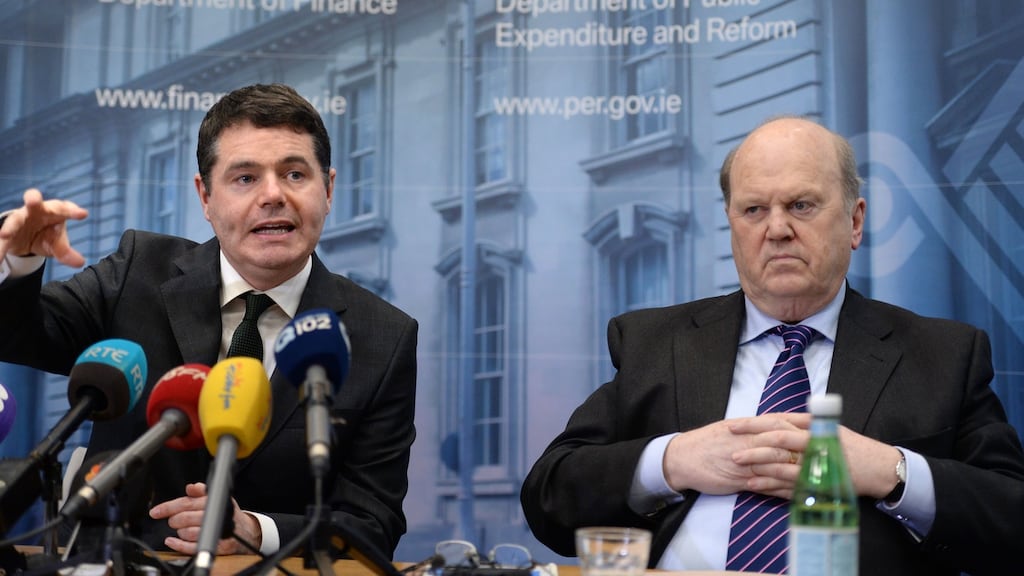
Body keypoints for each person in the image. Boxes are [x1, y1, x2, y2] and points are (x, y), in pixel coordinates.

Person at [520, 116, 1024, 575]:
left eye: (801, 205)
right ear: (732, 224)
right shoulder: (655, 343)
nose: (777, 229)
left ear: (854, 221)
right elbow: (549, 497)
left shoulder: (942, 355)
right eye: (754, 209)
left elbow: (1011, 518)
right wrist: (673, 461)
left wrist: (890, 472)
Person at [0, 83, 418, 560]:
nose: (274, 196)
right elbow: (23, 335)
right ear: (205, 196)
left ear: (328, 189)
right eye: (245, 178)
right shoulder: (139, 271)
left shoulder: (383, 336)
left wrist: (256, 530)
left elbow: (373, 521)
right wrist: (19, 264)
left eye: (295, 174)